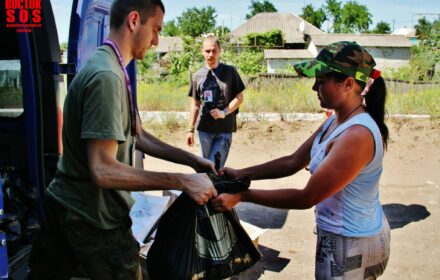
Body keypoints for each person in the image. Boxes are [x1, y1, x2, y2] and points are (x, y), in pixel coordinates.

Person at [28, 0, 217, 279]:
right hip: (92, 216)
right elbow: (103, 170)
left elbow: (137, 136)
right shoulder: (106, 76)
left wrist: (193, 161)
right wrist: (181, 181)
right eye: (155, 29)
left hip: (67, 202)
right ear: (133, 20)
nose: (156, 41)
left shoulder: (114, 67)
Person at [212, 41, 391, 279]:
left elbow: (308, 197)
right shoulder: (336, 121)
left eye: (321, 80)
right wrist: (242, 174)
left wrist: (243, 195)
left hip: (351, 243)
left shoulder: (357, 135)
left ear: (348, 84)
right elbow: (293, 161)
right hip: (343, 238)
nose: (314, 87)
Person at [186, 35, 245, 168]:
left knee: (215, 168)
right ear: (202, 51)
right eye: (207, 51)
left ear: (220, 51)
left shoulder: (230, 72)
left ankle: (212, 188)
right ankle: (205, 189)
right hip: (204, 130)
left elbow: (239, 97)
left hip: (224, 130)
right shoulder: (197, 76)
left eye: (214, 51)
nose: (211, 54)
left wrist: (224, 112)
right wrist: (190, 129)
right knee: (204, 168)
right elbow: (195, 104)